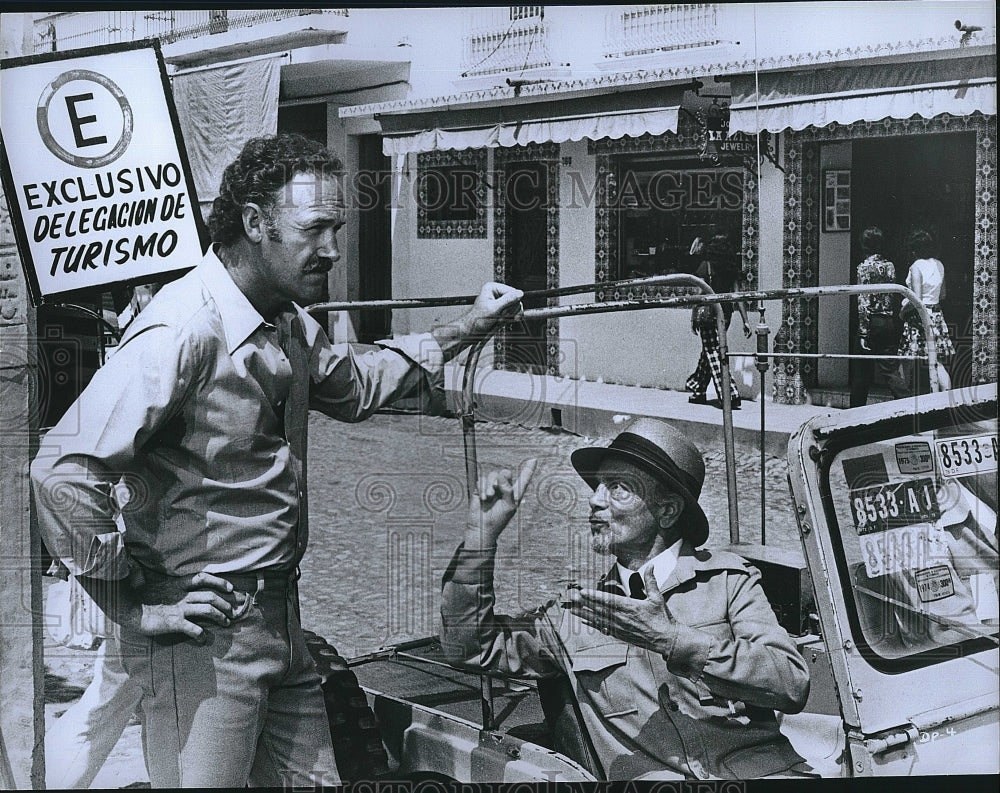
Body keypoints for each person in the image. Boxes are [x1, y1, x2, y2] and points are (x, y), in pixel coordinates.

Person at [30, 133, 523, 789]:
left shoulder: (286, 321)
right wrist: (131, 602)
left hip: (280, 623)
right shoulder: (182, 330)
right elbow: (63, 471)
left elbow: (357, 385)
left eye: (338, 228)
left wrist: (468, 325)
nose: (333, 249)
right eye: (315, 228)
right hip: (199, 642)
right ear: (256, 223)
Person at [441, 419, 812, 779]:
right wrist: (480, 539)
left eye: (618, 487)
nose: (594, 500)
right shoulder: (578, 613)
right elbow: (470, 646)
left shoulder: (728, 582)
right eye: (598, 485)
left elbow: (790, 683)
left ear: (667, 510)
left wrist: (673, 641)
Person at [685, 234, 752, 409]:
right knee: (711, 351)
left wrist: (693, 314)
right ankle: (698, 390)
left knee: (714, 353)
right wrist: (745, 321)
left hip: (708, 315)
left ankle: (730, 394)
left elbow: (701, 293)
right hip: (726, 316)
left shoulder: (706, 266)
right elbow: (738, 296)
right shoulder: (731, 270)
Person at [850, 226, 907, 407]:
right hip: (888, 320)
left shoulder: (864, 268)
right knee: (890, 370)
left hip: (871, 322)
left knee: (861, 373)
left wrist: (864, 332)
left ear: (864, 246)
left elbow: (864, 300)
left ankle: (855, 414)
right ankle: (910, 408)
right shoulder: (889, 266)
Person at [898, 228, 954, 394]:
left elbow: (916, 298)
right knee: (935, 359)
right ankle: (946, 397)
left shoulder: (916, 266)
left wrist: (902, 311)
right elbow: (943, 294)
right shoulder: (939, 264)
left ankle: (903, 395)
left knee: (906, 357)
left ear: (914, 249)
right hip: (936, 314)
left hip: (920, 315)